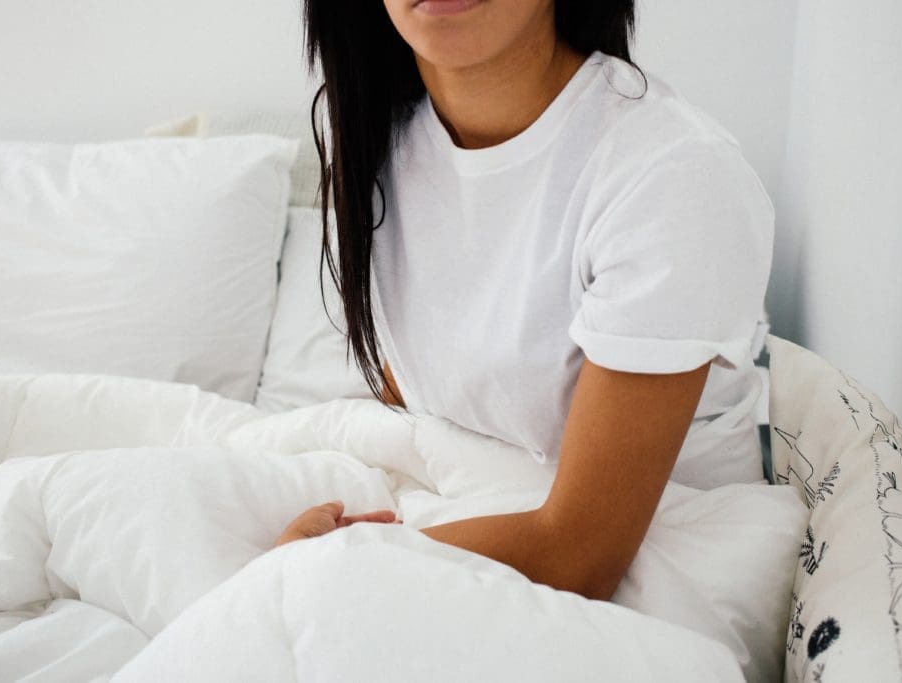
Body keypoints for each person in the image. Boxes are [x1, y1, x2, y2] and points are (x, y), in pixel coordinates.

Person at [274, 0, 774, 602]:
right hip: (468, 516)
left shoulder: (670, 170)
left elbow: (581, 555)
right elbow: (416, 387)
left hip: (655, 577)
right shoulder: (371, 135)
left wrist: (335, 562)